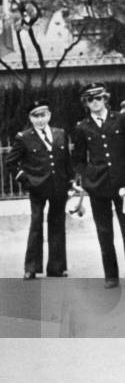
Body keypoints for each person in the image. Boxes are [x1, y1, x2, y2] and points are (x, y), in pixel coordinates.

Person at [7, 99, 73, 279]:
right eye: (35, 116)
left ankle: (57, 267)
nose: (40, 120)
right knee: (36, 225)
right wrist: (26, 180)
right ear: (30, 118)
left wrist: (71, 181)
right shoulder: (24, 137)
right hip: (37, 188)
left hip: (59, 185)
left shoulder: (60, 134)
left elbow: (66, 160)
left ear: (49, 115)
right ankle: (31, 267)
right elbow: (11, 163)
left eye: (43, 115)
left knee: (57, 225)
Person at [73, 82, 125, 288]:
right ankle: (111, 275)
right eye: (89, 99)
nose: (95, 103)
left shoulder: (121, 120)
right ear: (85, 103)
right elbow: (78, 159)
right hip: (98, 186)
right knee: (104, 232)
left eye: (98, 98)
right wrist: (87, 179)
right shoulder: (82, 127)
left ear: (106, 98)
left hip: (123, 185)